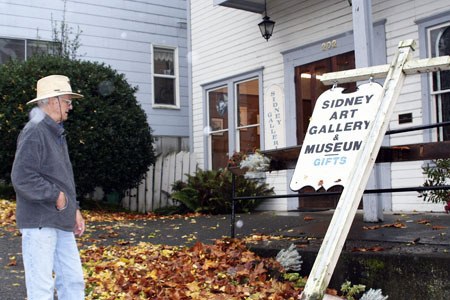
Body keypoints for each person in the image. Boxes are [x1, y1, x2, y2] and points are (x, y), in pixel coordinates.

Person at [11, 75, 86, 300]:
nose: (70, 107)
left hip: (61, 220)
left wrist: (75, 209)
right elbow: (22, 177)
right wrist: (55, 195)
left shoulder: (55, 132)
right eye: (67, 101)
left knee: (73, 282)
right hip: (40, 224)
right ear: (53, 101)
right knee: (41, 289)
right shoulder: (35, 131)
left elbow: (62, 177)